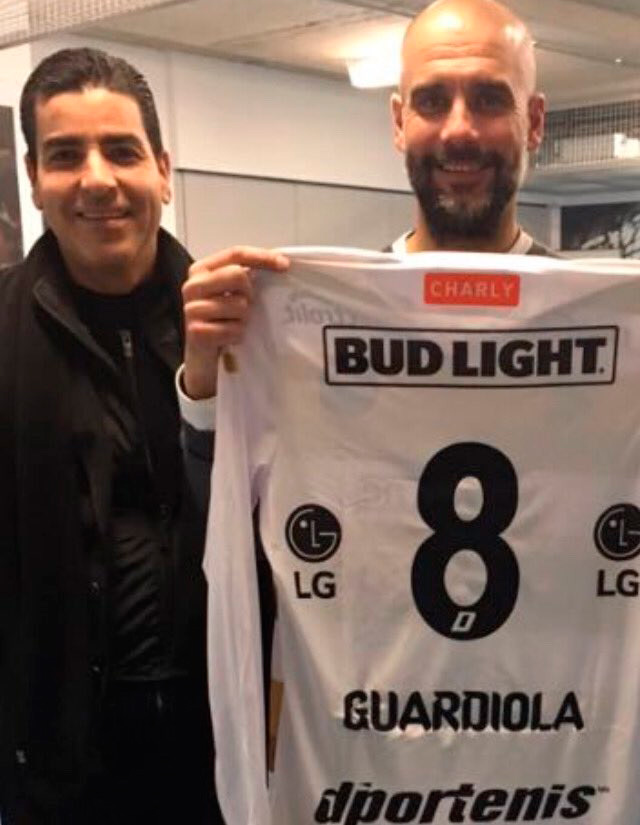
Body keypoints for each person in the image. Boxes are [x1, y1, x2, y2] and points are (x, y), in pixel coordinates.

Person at [0, 48, 222, 824]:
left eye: (121, 151)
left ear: (163, 170)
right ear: (34, 178)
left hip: (222, 748)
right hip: (57, 765)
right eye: (65, 156)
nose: (96, 179)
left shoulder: (242, 331)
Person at [180, 0, 554, 406]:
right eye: (432, 102)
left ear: (534, 122)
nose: (459, 131)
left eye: (489, 100)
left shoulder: (603, 321)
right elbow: (245, 450)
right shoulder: (316, 322)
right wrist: (208, 385)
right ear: (399, 122)